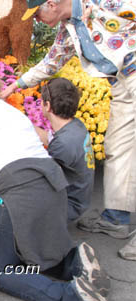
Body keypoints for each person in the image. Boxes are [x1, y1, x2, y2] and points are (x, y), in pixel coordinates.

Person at [0, 70, 127, 301]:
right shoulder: (11, 111)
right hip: (52, 185)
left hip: (20, 188)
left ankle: (76, 299)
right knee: (28, 255)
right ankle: (76, 264)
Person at [2, 0, 136, 254]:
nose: (37, 21)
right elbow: (50, 63)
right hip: (120, 82)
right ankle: (117, 218)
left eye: (37, 14)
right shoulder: (69, 28)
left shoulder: (104, 2)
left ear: (51, 4)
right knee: (117, 148)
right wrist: (14, 86)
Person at [35, 78, 95, 224]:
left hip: (67, 206)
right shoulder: (76, 126)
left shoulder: (62, 144)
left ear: (47, 105)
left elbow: (44, 183)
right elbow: (50, 139)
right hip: (80, 201)